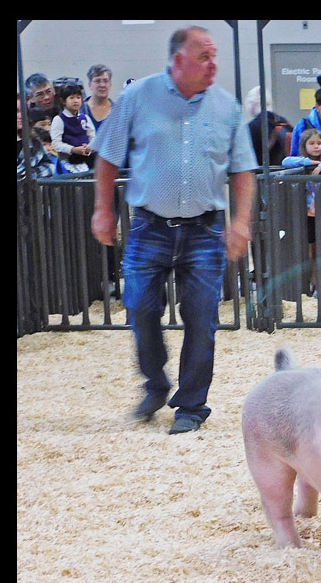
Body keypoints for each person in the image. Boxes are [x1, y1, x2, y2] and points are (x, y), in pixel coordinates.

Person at [90, 25, 256, 435]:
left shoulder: (227, 106)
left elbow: (242, 171)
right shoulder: (136, 97)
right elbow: (108, 156)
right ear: (178, 60)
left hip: (204, 231)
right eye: (205, 56)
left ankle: (192, 405)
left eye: (215, 55)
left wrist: (240, 222)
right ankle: (156, 383)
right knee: (140, 309)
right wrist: (103, 211)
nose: (213, 64)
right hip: (149, 226)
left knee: (202, 317)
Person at [282, 127, 321, 300]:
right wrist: (309, 163)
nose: (316, 147)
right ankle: (315, 285)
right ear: (304, 145)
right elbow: (286, 161)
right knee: (312, 250)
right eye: (312, 143)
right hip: (309, 212)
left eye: (319, 143)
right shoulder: (301, 163)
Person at [50, 83, 96, 174]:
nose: (75, 101)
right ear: (63, 101)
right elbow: (56, 143)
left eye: (78, 98)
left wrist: (89, 147)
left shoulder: (85, 118)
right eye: (72, 98)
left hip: (87, 159)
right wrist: (73, 149)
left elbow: (93, 136)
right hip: (67, 161)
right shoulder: (59, 119)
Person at [17, 94, 55, 179]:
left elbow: (50, 166)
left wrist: (32, 174)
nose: (20, 116)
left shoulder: (34, 143)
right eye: (16, 111)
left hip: (26, 190)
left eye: (23, 111)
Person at [84, 64, 114, 133]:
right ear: (90, 85)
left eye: (105, 81)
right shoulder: (79, 110)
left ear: (110, 84)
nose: (102, 85)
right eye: (97, 81)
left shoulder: (118, 111)